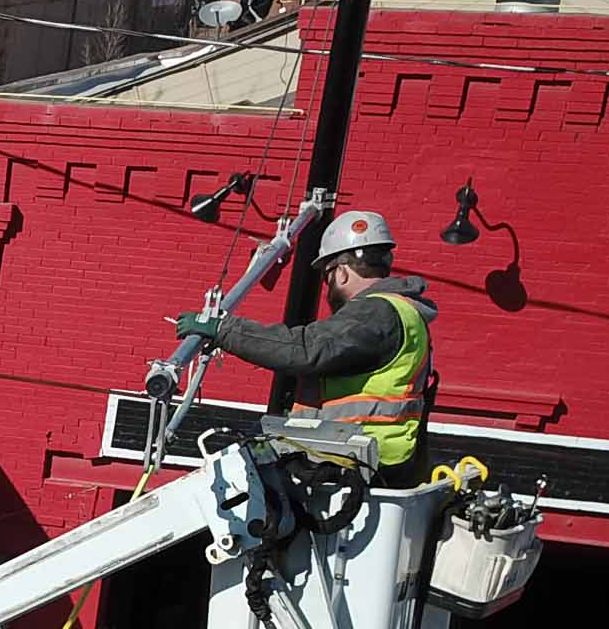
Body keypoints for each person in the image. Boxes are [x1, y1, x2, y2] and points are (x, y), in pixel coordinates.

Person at [173, 208, 437, 486]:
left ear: (342, 272)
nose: (327, 286)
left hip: (360, 463)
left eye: (327, 275)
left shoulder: (375, 313)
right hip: (369, 458)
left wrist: (223, 330)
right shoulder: (402, 311)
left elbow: (305, 349)